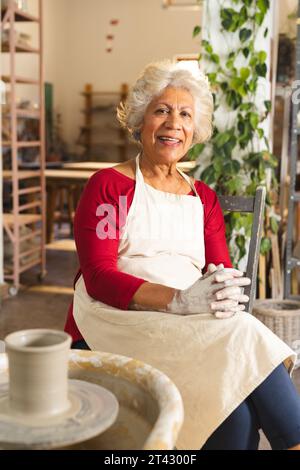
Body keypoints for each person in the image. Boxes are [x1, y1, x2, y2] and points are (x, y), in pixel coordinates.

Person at [64, 60, 300, 450]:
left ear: (195, 130)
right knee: (245, 334)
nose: (174, 122)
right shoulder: (109, 186)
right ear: (141, 120)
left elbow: (219, 268)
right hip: (116, 320)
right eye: (162, 110)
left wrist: (222, 290)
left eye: (185, 114)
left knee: (237, 406)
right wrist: (177, 300)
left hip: (189, 326)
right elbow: (99, 277)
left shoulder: (202, 197)